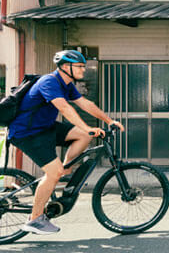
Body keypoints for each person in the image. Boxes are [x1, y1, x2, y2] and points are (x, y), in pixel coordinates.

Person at [8, 50, 124, 235]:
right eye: (79, 66)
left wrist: (109, 120)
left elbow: (85, 103)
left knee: (84, 137)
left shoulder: (67, 84)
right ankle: (35, 219)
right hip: (26, 133)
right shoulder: (49, 81)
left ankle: (64, 170)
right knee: (54, 171)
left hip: (45, 128)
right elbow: (64, 107)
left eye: (83, 66)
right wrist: (87, 126)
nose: (83, 70)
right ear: (65, 66)